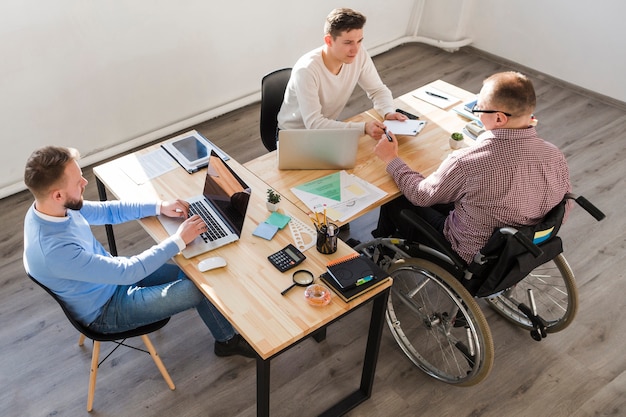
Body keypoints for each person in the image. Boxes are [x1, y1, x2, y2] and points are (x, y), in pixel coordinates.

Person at [22, 146, 254, 358]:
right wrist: (178, 240)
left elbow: (108, 212)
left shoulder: (51, 209)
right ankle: (228, 342)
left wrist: (159, 207)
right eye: (77, 182)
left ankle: (225, 339)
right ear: (58, 195)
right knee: (199, 288)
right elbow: (128, 273)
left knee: (195, 269)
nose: (84, 182)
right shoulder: (53, 251)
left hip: (109, 279)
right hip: (106, 309)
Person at [372, 71, 572, 264]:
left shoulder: (469, 162)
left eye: (479, 107)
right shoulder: (554, 154)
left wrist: (392, 159)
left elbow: (421, 196)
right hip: (518, 250)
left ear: (499, 118)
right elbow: (564, 208)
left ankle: (380, 254)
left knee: (397, 198)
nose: (476, 109)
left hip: (470, 253)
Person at [277, 7, 407, 139]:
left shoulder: (359, 54)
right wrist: (364, 127)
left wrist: (388, 112)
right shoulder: (306, 70)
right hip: (294, 135)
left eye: (359, 41)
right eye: (348, 43)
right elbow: (314, 123)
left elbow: (377, 90)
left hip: (325, 127)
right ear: (328, 41)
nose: (355, 50)